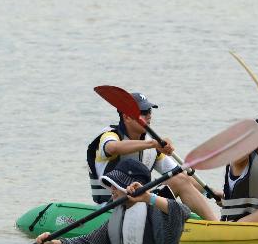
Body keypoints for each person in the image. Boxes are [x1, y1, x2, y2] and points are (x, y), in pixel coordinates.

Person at [34, 158, 191, 244]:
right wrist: (54, 243)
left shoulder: (155, 210)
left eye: (117, 185)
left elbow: (182, 212)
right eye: (111, 185)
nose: (112, 190)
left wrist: (147, 197)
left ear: (133, 186)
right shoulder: (118, 216)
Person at [86, 91, 220, 220]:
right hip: (110, 208)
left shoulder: (151, 145)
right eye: (143, 113)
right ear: (126, 117)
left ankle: (215, 226)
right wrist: (152, 144)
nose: (149, 115)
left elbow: (182, 177)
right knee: (178, 180)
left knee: (179, 177)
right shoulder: (110, 135)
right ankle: (216, 227)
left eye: (149, 111)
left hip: (138, 203)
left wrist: (211, 192)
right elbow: (113, 147)